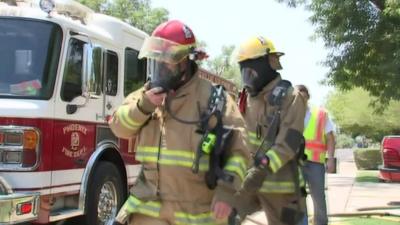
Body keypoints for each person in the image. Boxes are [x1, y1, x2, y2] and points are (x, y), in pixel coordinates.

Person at [109, 20, 249, 225]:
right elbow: (118, 127)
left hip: (196, 215)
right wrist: (143, 107)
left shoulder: (214, 99)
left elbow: (240, 152)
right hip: (147, 212)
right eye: (157, 56)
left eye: (168, 58)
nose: (160, 64)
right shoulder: (146, 95)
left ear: (186, 60)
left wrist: (227, 191)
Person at [235, 36, 308, 225]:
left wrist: (259, 171)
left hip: (283, 190)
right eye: (244, 73)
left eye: (251, 72)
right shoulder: (247, 98)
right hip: (250, 185)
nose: (247, 79)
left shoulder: (291, 98)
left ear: (268, 65)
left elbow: (288, 144)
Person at [295, 84, 336, 225]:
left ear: (308, 97)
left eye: (303, 96)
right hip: (295, 163)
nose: (300, 99)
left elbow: (330, 138)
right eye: (297, 97)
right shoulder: (289, 115)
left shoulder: (320, 114)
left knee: (318, 197)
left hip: (315, 163)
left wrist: (330, 159)